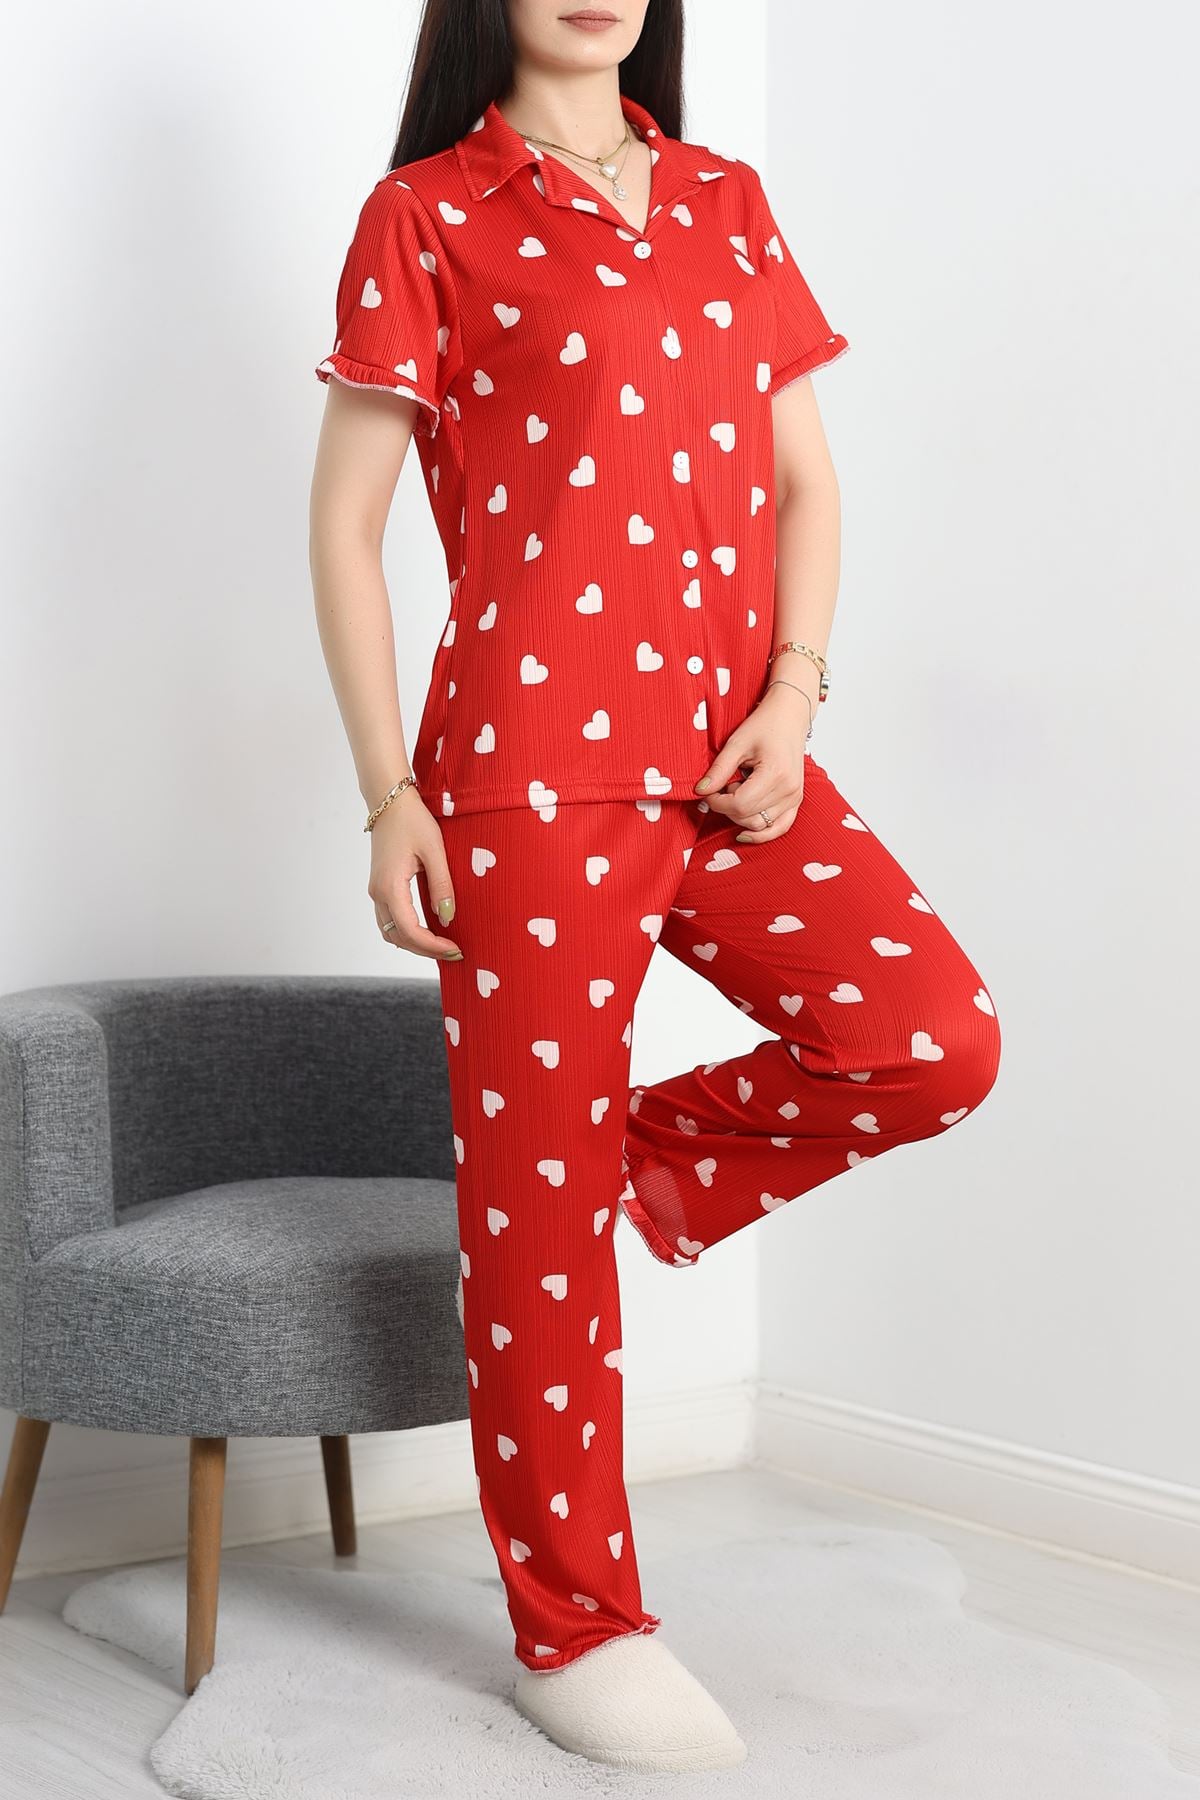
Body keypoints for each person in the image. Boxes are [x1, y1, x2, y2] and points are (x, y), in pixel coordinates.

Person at [308, 0, 1001, 1773]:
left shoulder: (723, 200)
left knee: (928, 1036)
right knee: (534, 1239)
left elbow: (803, 480)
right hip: (526, 768)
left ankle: (607, 1166)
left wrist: (795, 693)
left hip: (731, 755)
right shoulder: (428, 213)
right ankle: (577, 1630)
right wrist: (392, 795)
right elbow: (347, 527)